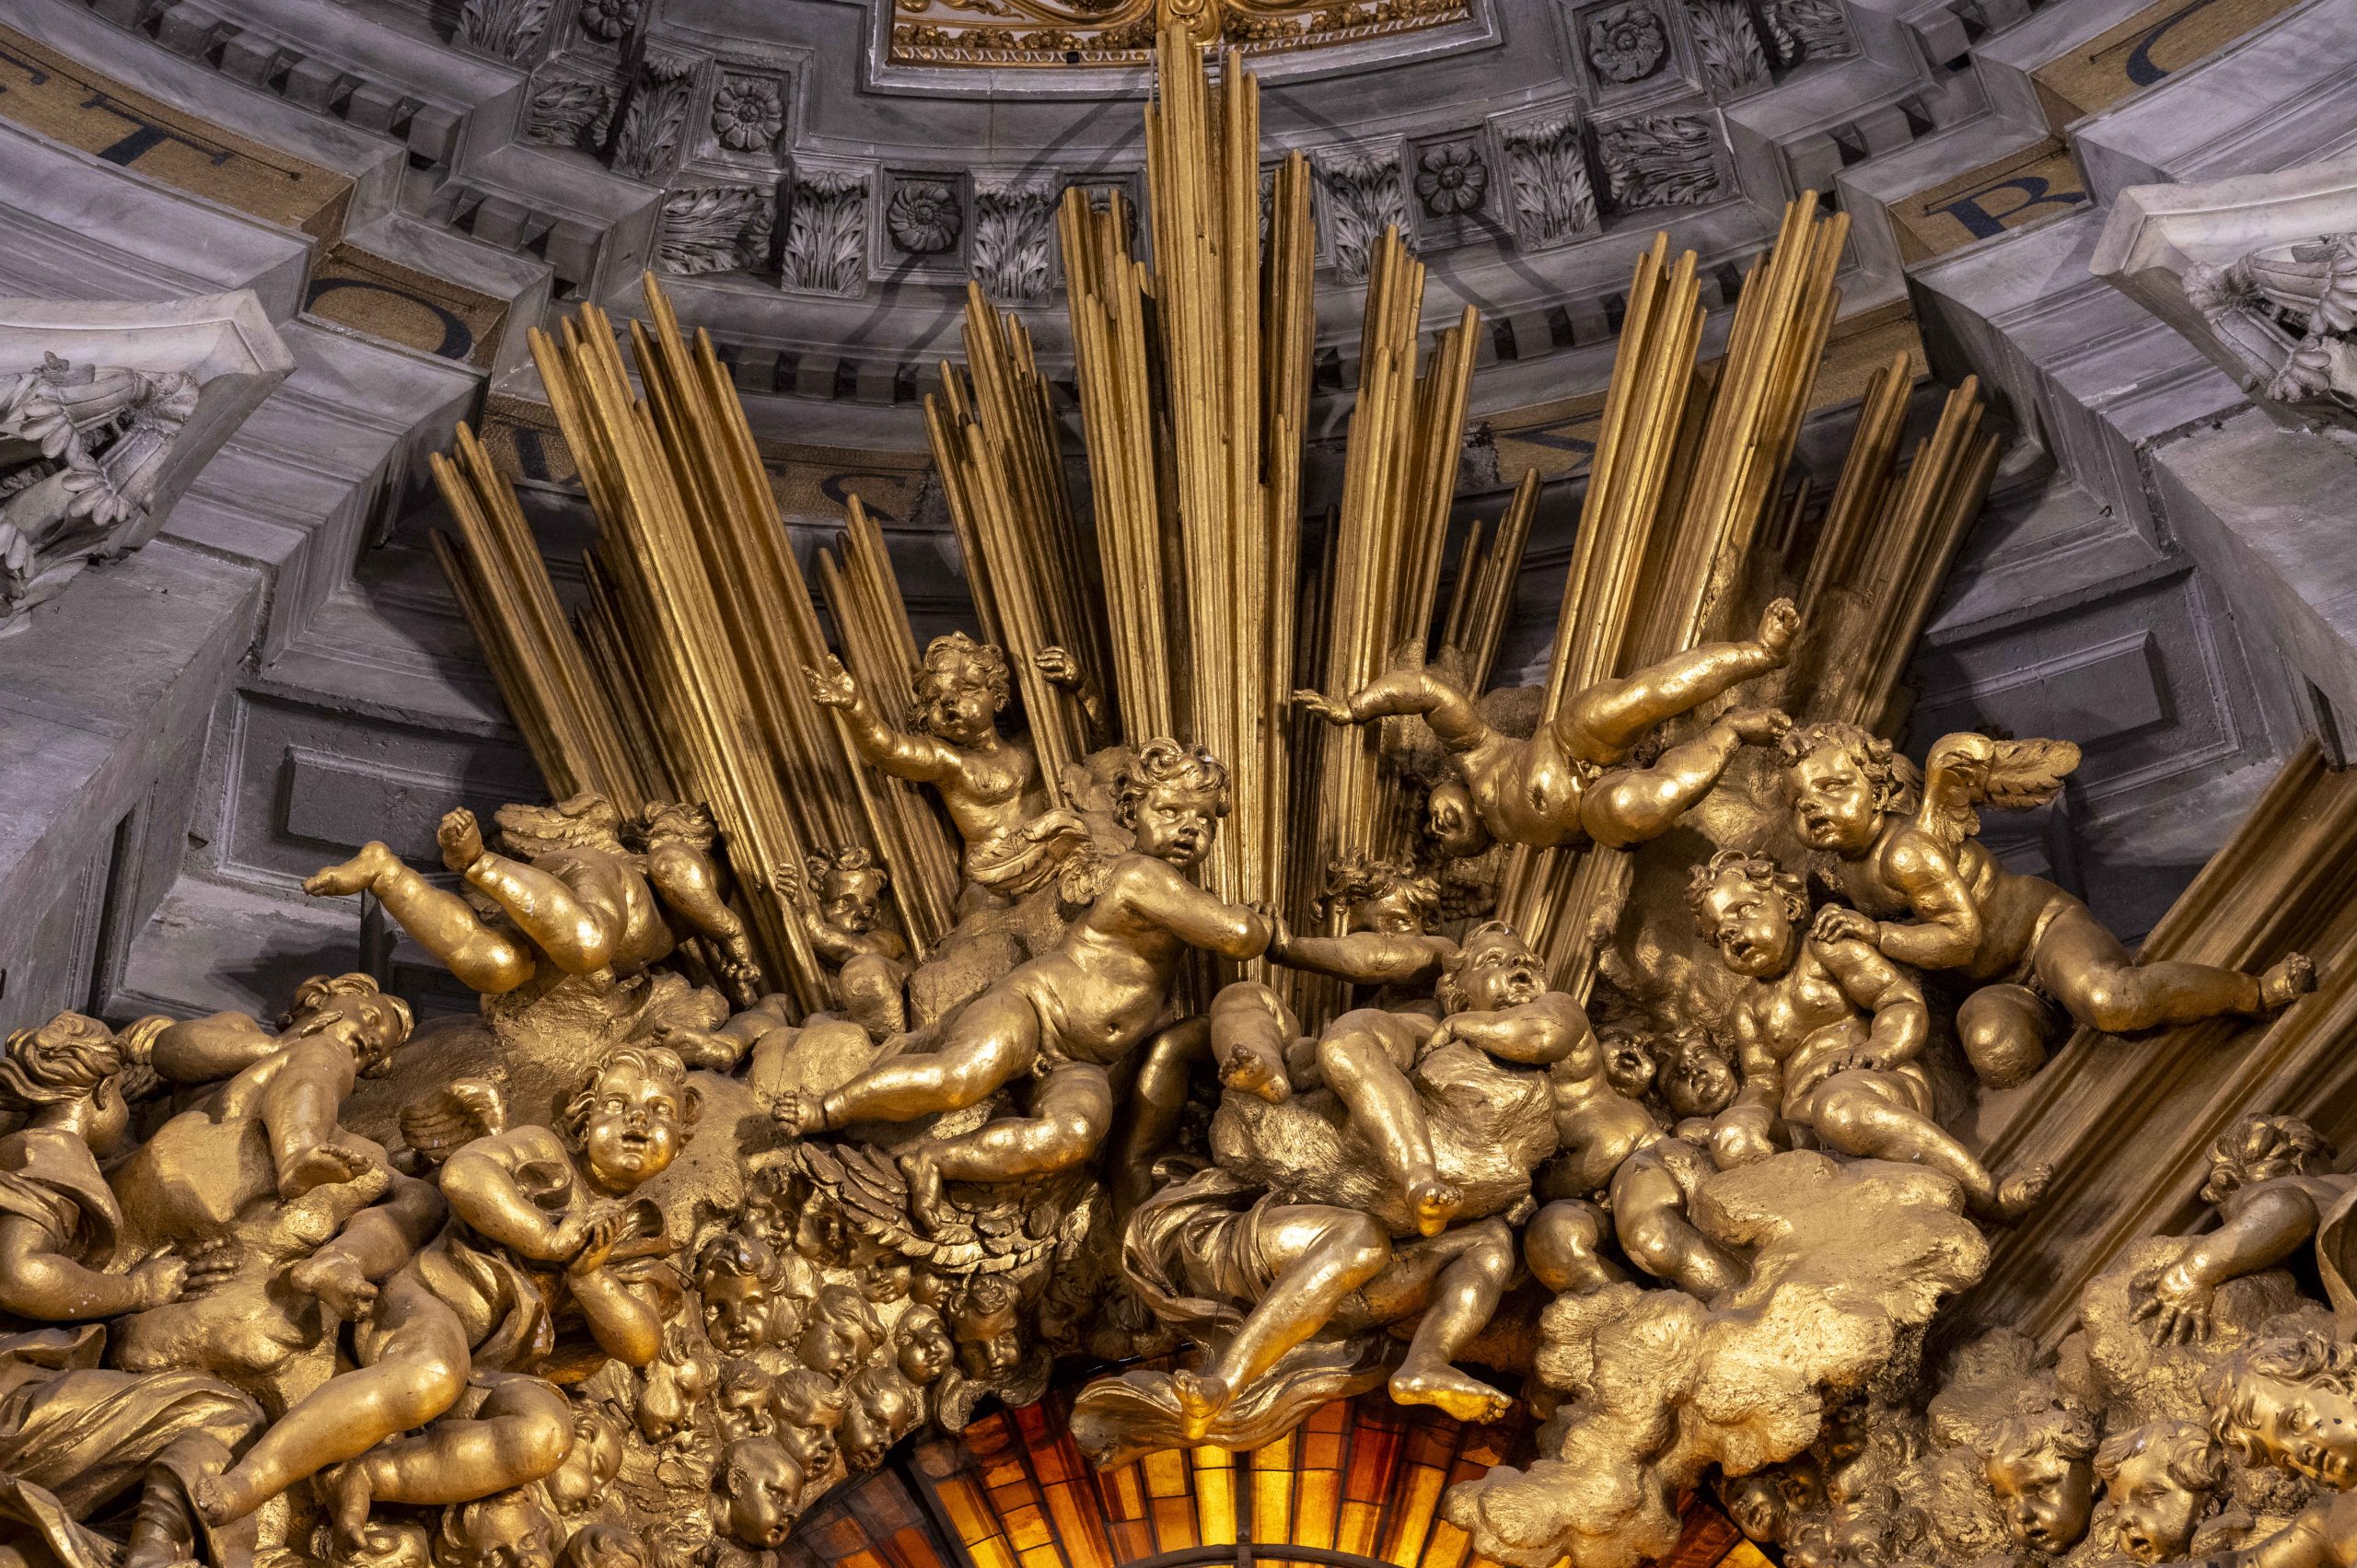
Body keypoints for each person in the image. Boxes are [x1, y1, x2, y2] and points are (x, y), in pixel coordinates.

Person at [195, 1048, 701, 1537]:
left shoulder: (640, 1238)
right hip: (430, 1303)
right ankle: (252, 1479)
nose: (637, 1118)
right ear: (584, 1122)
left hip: (497, 1368)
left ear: (678, 1145)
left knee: (544, 1434)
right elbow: (464, 1174)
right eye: (616, 1104)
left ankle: (370, 1475)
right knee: (432, 1374)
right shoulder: (542, 1151)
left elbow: (641, 1343)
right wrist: (545, 1239)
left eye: (660, 1111)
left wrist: (590, 1278)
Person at [774, 740, 1269, 1235]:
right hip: (1033, 1008)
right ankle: (826, 1109)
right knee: (960, 1075)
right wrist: (1267, 928)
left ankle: (935, 1160)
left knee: (1074, 1135)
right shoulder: (1141, 875)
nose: (1190, 827)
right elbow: (1239, 936)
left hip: (1083, 1061)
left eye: (1205, 820)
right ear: (1130, 813)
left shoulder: (1185, 896)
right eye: (1170, 811)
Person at [1779, 723, 2313, 1085]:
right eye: (1800, 802)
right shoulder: (1840, 874)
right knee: (1996, 1051)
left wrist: (1875, 935)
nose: (1814, 807)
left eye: (1833, 787)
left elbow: (1961, 938)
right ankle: (2071, 1046)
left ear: (1877, 790)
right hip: (1997, 984)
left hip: (2042, 933)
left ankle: (2253, 992)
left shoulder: (1907, 851)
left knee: (2110, 998)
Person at [1686, 849, 2049, 1221]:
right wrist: (1742, 1120)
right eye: (1719, 935)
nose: (1730, 932)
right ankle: (1828, 1227)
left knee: (1839, 1108)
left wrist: (1881, 1048)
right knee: (1732, 1136)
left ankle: (1988, 1194)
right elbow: (1762, 1081)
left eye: (1743, 911)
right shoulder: (1746, 1009)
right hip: (1805, 1125)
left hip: (1874, 1086)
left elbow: (1897, 1001)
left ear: (1789, 907)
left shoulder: (1826, 948)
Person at [1294, 598, 1797, 852]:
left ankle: (1759, 653)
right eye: (1436, 838)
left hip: (1569, 741)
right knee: (1634, 809)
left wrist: (1355, 708)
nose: (1435, 826)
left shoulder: (1476, 752)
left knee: (1640, 695)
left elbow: (1429, 691)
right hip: (1591, 806)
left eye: (1429, 814)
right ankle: (1732, 730)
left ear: (1441, 782)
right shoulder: (1511, 842)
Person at [304, 796, 761, 1007]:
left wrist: (739, 982)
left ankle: (386, 874)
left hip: (552, 916)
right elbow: (676, 873)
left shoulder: (674, 923)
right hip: (591, 881)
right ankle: (477, 862)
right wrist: (735, 937)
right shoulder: (682, 857)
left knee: (495, 965)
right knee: (588, 942)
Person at [804, 632, 1087, 897]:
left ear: (998, 696)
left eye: (966, 687)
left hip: (1055, 864)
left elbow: (1097, 751)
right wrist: (855, 709)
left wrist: (1082, 685)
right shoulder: (951, 762)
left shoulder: (1037, 744)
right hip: (993, 887)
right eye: (934, 699)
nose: (949, 700)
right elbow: (891, 750)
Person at [2132, 1113, 2355, 1345]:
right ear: (2306, 1160)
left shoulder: (2260, 1189)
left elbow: (2284, 1207)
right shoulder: (2344, 1183)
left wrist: (2190, 1273)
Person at [773, 849, 908, 1037]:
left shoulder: (889, 940)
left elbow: (853, 949)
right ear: (819, 902)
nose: (864, 913)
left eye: (870, 905)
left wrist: (800, 908)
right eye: (845, 902)